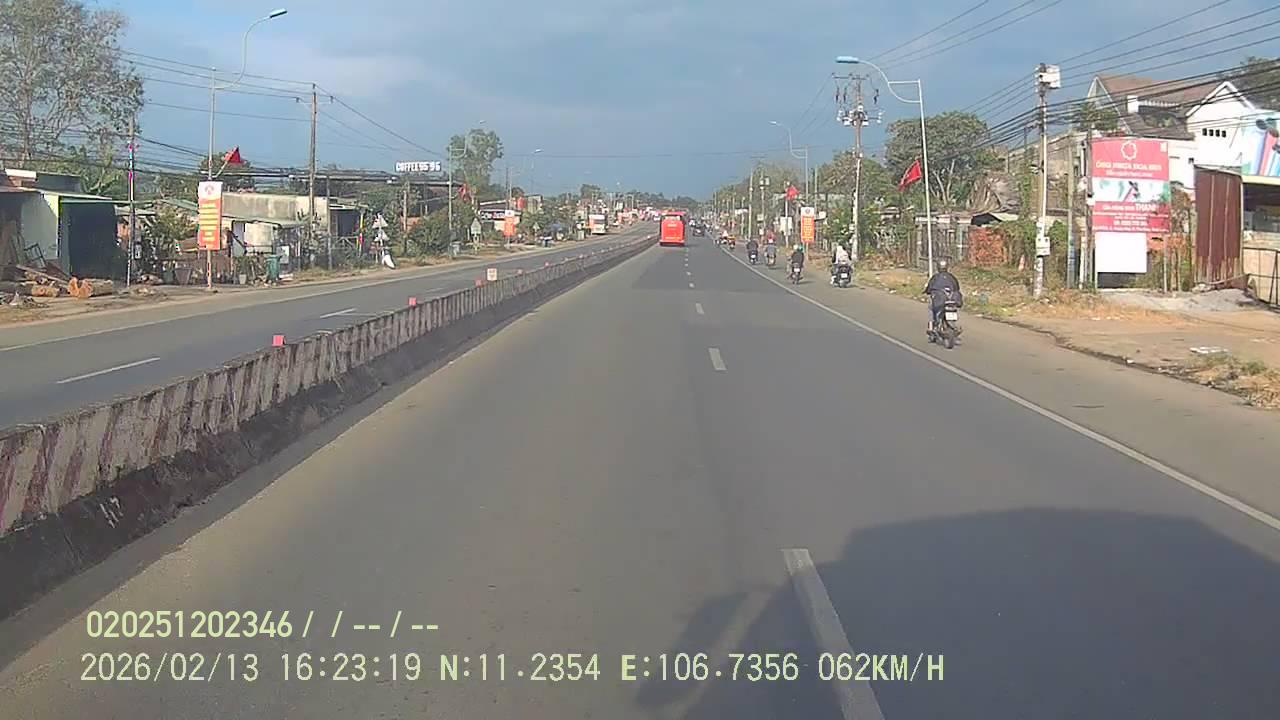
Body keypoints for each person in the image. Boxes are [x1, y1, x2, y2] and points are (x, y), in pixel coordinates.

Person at [922, 258, 962, 332]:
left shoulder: (935, 277)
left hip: (941, 301)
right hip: (952, 300)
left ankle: (935, 325)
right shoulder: (951, 277)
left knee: (933, 308)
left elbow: (929, 287)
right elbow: (957, 287)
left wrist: (927, 291)